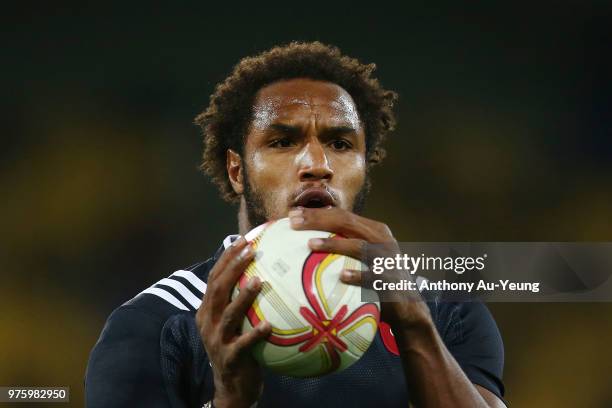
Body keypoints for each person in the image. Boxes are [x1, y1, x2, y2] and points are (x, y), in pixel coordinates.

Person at [85, 41, 506, 407]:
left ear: (365, 167)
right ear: (236, 170)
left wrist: (415, 326)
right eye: (283, 142)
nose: (317, 165)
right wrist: (230, 402)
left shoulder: (445, 312)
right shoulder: (155, 324)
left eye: (340, 144)